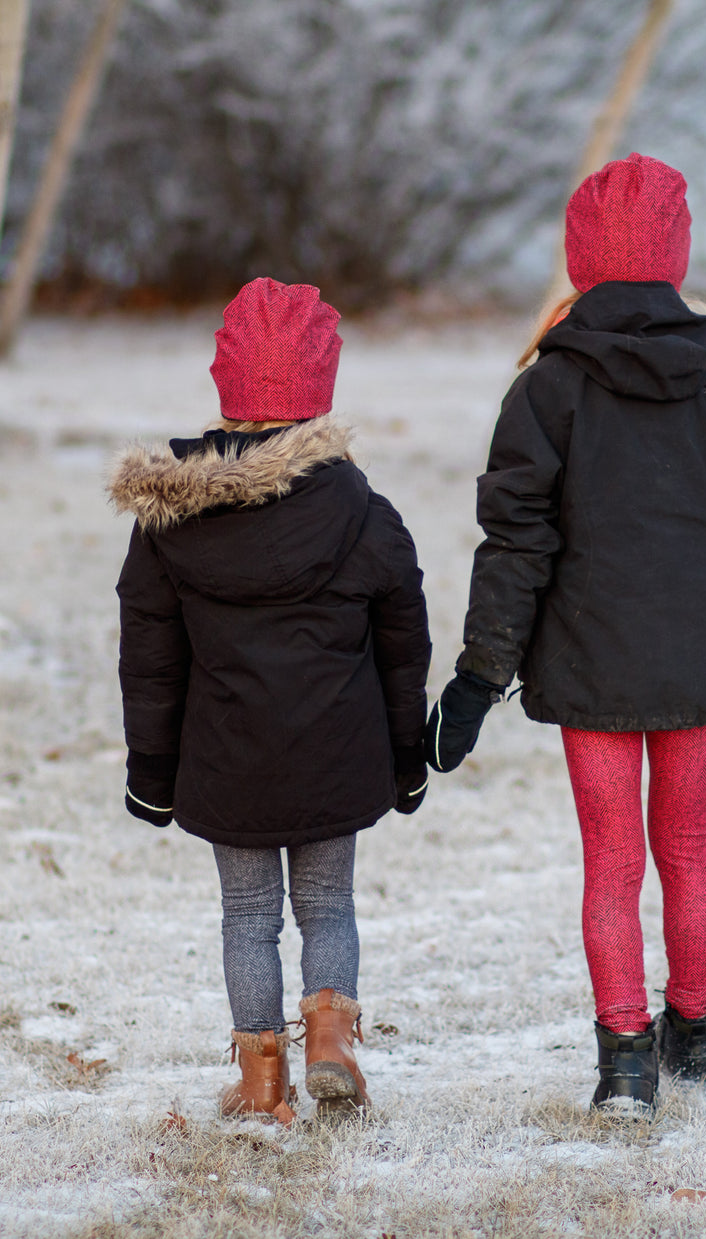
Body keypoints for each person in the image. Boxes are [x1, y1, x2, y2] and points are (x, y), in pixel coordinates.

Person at [426, 153, 706, 1113]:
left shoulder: (545, 393)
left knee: (613, 858)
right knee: (686, 845)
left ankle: (627, 1062)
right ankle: (699, 1038)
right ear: (675, 260)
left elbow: (513, 545)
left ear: (582, 262)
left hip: (592, 669)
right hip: (700, 665)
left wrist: (479, 676)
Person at [110, 278, 431, 1123]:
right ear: (320, 389)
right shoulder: (364, 510)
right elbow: (404, 646)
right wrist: (408, 757)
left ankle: (262, 1086)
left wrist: (152, 769)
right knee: (328, 902)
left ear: (229, 385)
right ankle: (331, 1039)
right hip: (338, 754)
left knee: (248, 913)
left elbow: (149, 655)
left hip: (228, 760)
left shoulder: (171, 520)